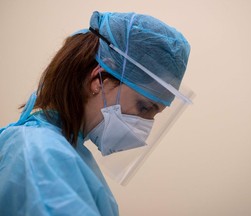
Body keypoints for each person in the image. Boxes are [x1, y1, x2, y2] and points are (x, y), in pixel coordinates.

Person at [0, 11, 191, 215]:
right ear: (98, 80)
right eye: (144, 107)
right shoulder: (40, 153)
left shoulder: (68, 151)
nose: (145, 126)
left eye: (154, 114)